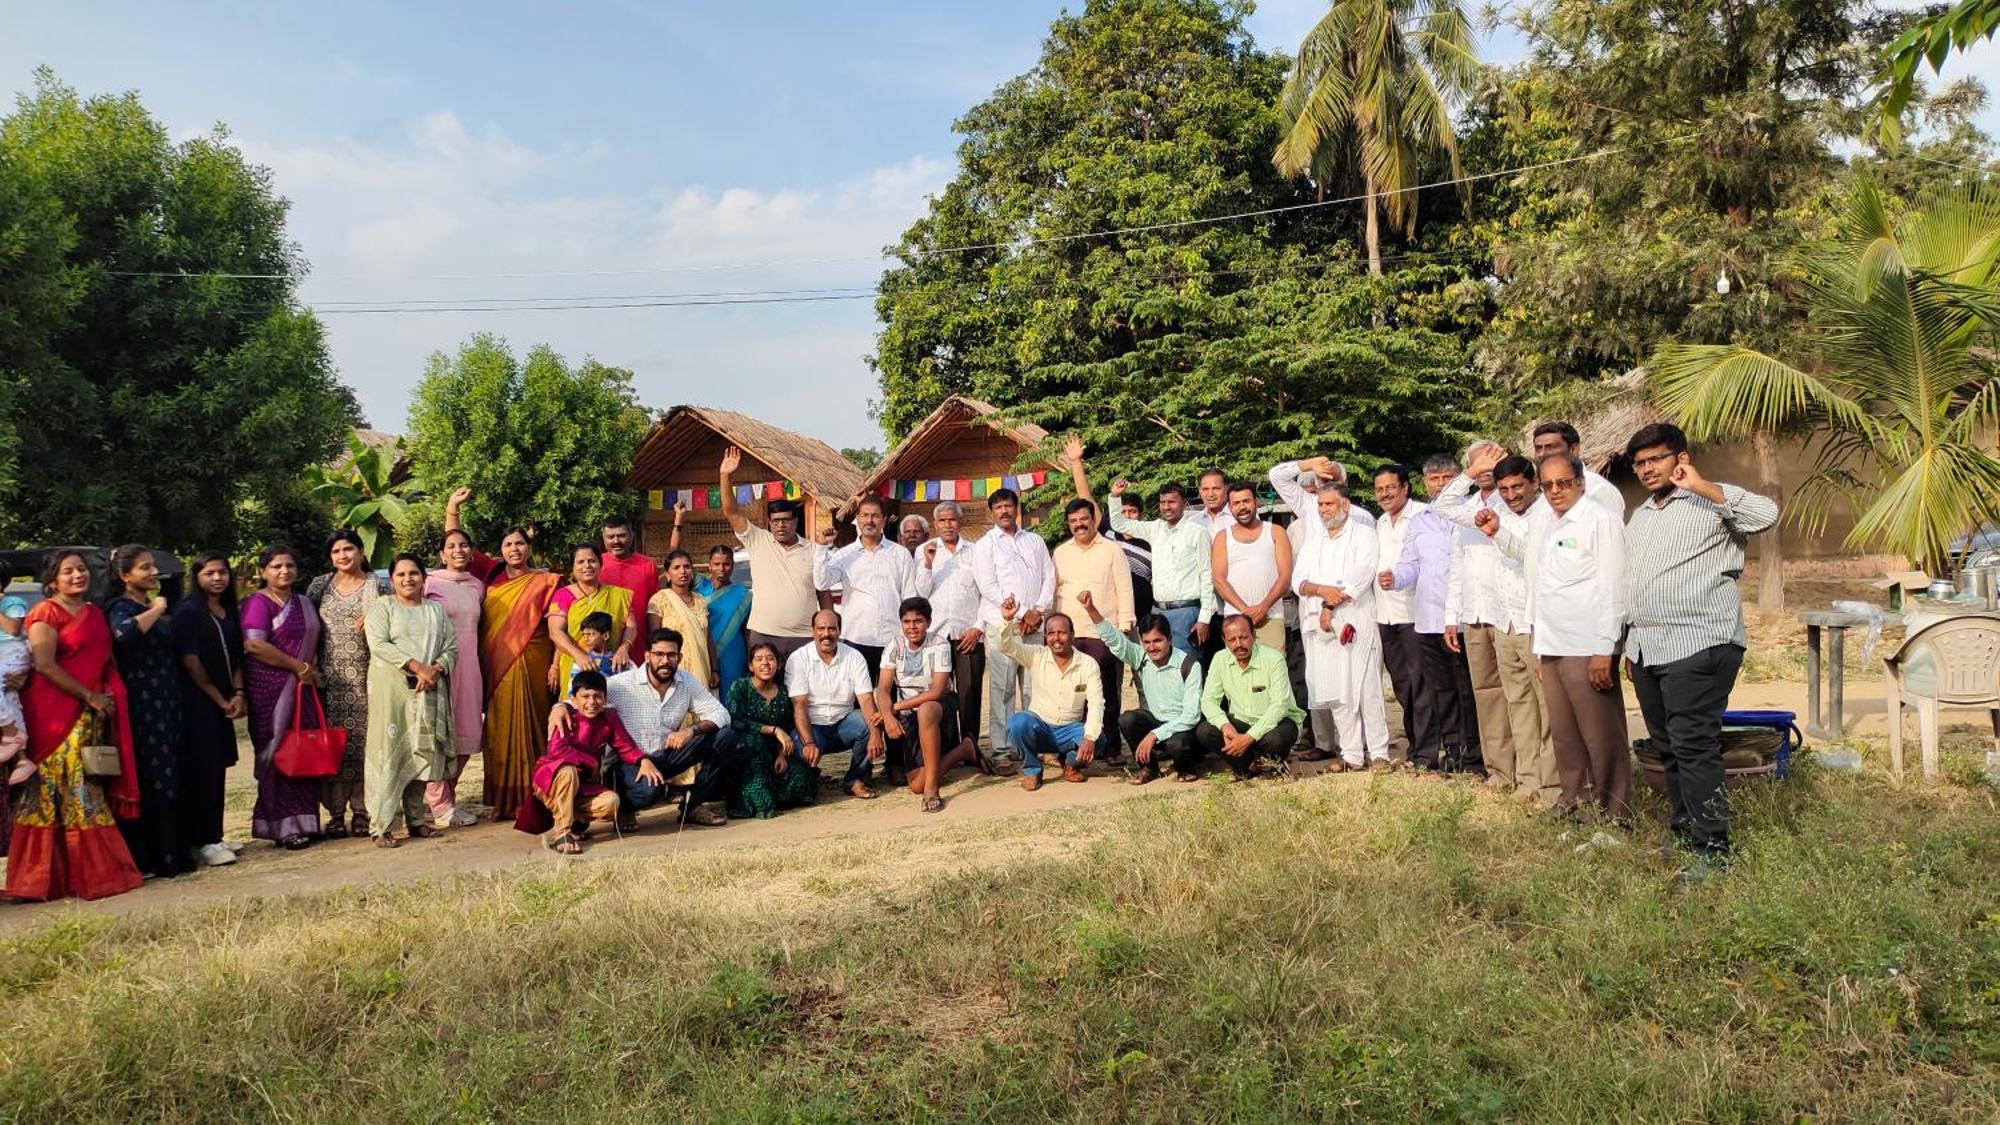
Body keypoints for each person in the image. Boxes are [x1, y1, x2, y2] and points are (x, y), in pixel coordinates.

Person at [1622, 422, 1779, 869]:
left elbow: (1766, 515)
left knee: (1693, 745)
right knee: (1667, 744)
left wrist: (1705, 487)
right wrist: (1628, 644)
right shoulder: (1643, 514)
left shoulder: (1710, 499)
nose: (1648, 468)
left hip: (1699, 640)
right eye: (1640, 462)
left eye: (1657, 458)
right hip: (1649, 647)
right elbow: (1632, 581)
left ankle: (1714, 848)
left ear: (1681, 458)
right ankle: (1686, 833)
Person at [1483, 453, 1629, 822]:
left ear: (1580, 481)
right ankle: (1574, 802)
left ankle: (1614, 813)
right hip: (1550, 643)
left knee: (1600, 734)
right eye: (1547, 485)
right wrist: (1537, 647)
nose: (1555, 491)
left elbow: (1614, 587)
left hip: (1587, 644)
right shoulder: (1543, 524)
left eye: (1562, 482)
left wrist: (1605, 649)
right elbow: (1534, 577)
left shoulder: (1601, 521)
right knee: (1564, 735)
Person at [5, 549, 144, 902]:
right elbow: (45, 665)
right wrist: (89, 696)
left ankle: (91, 875)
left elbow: (105, 660)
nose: (77, 576)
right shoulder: (44, 613)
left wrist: (105, 697)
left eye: (81, 569)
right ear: (52, 579)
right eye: (68, 571)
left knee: (87, 786)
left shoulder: (95, 613)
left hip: (91, 712)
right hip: (52, 714)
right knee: (50, 790)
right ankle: (40, 880)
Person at [1448, 456, 1558, 801]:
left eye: (1517, 487)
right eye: (1504, 488)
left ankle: (1551, 785)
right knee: (1518, 705)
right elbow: (1445, 506)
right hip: (1504, 623)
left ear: (1534, 484)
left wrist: (1498, 533)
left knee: (1547, 709)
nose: (1511, 494)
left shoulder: (1549, 516)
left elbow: (1536, 559)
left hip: (1536, 624)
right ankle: (1526, 781)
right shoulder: (1496, 513)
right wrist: (1470, 470)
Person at [551, 627, 739, 827]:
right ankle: (624, 808)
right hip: (626, 763)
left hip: (666, 756)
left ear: (680, 657)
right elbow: (586, 701)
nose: (665, 661)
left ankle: (692, 806)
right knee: (650, 791)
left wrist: (689, 730)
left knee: (725, 737)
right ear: (647, 655)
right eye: (658, 654)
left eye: (671, 655)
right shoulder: (622, 684)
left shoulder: (687, 682)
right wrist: (559, 706)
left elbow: (722, 714)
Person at [447, 495, 559, 821]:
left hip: (538, 662)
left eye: (520, 543)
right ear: (501, 550)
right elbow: (456, 543)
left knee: (537, 727)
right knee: (498, 730)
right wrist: (453, 509)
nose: (515, 549)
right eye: (509, 544)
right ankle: (503, 799)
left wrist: (554, 664)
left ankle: (539, 794)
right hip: (496, 666)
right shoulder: (489, 572)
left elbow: (556, 627)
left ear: (529, 548)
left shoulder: (547, 581)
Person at [103, 544, 190, 879]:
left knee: (172, 774)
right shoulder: (119, 606)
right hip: (141, 703)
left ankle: (175, 853)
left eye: (153, 566)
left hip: (167, 699)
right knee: (153, 777)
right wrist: (157, 609)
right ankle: (150, 857)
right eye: (145, 568)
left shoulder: (147, 605)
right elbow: (123, 635)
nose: (154, 573)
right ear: (125, 575)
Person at [1292, 485, 1391, 771]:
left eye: (1329, 504)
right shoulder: (1314, 541)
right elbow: (1298, 581)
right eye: (1321, 505)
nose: (1324, 510)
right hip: (1319, 626)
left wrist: (1330, 605)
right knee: (1336, 690)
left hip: (1355, 617)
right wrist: (1321, 590)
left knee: (1365, 686)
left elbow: (1360, 576)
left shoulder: (1364, 535)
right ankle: (1351, 755)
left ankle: (1380, 752)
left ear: (1345, 506)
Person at [363, 554, 458, 847]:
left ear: (423, 577)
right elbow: (378, 644)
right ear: (391, 580)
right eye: (401, 574)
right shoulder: (383, 607)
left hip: (427, 691)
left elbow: (451, 646)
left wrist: (436, 669)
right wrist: (418, 668)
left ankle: (417, 821)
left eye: (414, 573)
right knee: (389, 753)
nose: (408, 579)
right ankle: (382, 825)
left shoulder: (435, 610)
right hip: (392, 692)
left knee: (421, 754)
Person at [242, 544, 324, 849]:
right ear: (263, 571)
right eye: (276, 566)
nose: (284, 571)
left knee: (303, 749)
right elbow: (254, 646)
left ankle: (306, 821)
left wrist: (307, 670)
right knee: (278, 753)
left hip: (303, 688)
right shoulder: (257, 603)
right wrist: (297, 666)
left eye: (289, 565)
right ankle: (282, 826)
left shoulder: (303, 602)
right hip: (270, 689)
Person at [1077, 593, 1203, 785]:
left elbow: (1191, 716)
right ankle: (1149, 768)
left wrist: (1154, 735)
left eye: (1157, 641)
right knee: (1127, 719)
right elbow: (1115, 640)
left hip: (1184, 729)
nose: (1152, 648)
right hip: (1157, 720)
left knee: (1177, 743)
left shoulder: (1189, 665)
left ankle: (1185, 768)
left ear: (1169, 639)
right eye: (1147, 642)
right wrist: (1091, 610)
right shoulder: (1142, 657)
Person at [171, 552, 244, 868]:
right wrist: (219, 699)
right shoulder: (188, 612)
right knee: (202, 770)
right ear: (196, 577)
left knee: (217, 770)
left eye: (222, 572)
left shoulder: (229, 612)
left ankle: (215, 833)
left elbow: (237, 656)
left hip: (225, 701)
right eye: (210, 573)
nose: (217, 578)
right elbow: (191, 661)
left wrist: (238, 693)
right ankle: (203, 841)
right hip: (197, 703)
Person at [971, 486, 1054, 767]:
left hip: (1034, 626)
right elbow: (988, 586)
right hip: (1002, 626)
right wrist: (1018, 615)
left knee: (1034, 688)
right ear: (992, 513)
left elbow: (1049, 578)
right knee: (1002, 689)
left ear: (1016, 508)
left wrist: (1038, 611)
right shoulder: (985, 545)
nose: (1004, 511)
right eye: (998, 507)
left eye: (1008, 506)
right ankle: (1003, 749)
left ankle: (1034, 744)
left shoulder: (1035, 541)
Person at [1051, 488, 1134, 762]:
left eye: (1084, 519)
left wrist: (1123, 626)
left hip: (1103, 633)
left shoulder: (1112, 550)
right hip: (1070, 636)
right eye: (1073, 521)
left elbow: (1124, 588)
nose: (1079, 524)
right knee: (1076, 694)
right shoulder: (1061, 553)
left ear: (1093, 520)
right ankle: (1081, 746)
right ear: (1068, 524)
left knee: (1106, 691)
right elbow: (1054, 592)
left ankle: (1111, 748)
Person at [875, 596, 981, 812]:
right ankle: (964, 750)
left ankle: (932, 789)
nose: (912, 627)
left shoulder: (939, 643)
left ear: (929, 622)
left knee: (926, 709)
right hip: (908, 713)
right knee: (915, 785)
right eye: (907, 622)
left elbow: (937, 691)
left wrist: (894, 708)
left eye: (918, 621)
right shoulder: (894, 645)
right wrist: (887, 715)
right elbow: (884, 688)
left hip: (939, 708)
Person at [721, 446, 824, 664]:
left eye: (786, 520)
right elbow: (731, 511)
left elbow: (823, 591)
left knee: (802, 696)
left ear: (796, 522)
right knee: (765, 693)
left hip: (804, 637)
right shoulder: (758, 540)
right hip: (764, 635)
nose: (780, 525)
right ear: (769, 523)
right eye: (776, 521)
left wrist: (828, 625)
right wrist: (725, 475)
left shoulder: (814, 549)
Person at [305, 529, 377, 837]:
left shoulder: (379, 585)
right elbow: (306, 626)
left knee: (364, 745)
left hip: (367, 675)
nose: (343, 556)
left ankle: (362, 811)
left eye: (349, 549)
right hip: (329, 680)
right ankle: (334, 814)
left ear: (361, 551)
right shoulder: (319, 585)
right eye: (336, 551)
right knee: (333, 746)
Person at [992, 597, 1102, 791]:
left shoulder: (1087, 664)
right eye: (1051, 633)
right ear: (1045, 638)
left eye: (1062, 633)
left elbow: (1096, 703)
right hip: (1040, 728)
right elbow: (1005, 646)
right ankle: (1033, 770)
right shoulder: (1036, 655)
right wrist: (1007, 620)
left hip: (1070, 729)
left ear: (1072, 635)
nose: (1056, 638)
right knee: (1018, 724)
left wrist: (1090, 737)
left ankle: (1070, 764)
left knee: (1099, 741)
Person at [814, 493, 923, 684]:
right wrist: (822, 548)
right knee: (858, 699)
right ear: (857, 519)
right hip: (856, 637)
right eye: (864, 515)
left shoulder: (900, 554)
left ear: (884, 520)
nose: (869, 520)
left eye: (875, 516)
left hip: (893, 638)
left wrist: (909, 636)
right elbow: (822, 583)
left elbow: (909, 596)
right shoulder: (845, 555)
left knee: (893, 698)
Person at [915, 500, 989, 769]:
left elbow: (986, 593)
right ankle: (946, 750)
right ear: (935, 525)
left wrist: (978, 627)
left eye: (952, 520)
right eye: (942, 521)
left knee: (970, 693)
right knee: (939, 694)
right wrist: (927, 563)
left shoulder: (976, 552)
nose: (947, 525)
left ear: (961, 523)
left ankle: (971, 748)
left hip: (968, 634)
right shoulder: (925, 551)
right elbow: (920, 594)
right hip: (935, 637)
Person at [527, 669, 631, 854]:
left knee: (612, 803)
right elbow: (558, 750)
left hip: (584, 787)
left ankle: (573, 819)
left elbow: (625, 746)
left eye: (597, 696)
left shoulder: (609, 718)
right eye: (585, 696)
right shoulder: (565, 715)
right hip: (552, 780)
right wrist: (590, 762)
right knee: (568, 771)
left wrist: (644, 761)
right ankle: (562, 833)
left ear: (605, 699)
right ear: (573, 699)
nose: (592, 702)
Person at [787, 610, 887, 800]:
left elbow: (866, 699)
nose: (827, 634)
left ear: (840, 631)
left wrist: (876, 734)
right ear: (813, 631)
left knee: (870, 722)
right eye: (821, 629)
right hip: (812, 728)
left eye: (832, 628)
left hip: (843, 725)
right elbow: (799, 705)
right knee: (801, 749)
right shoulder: (798, 658)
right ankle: (812, 776)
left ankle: (856, 780)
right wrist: (808, 743)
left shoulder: (854, 657)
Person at [1196, 614, 1305, 780]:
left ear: (1253, 635)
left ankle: (1273, 765)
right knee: (1205, 731)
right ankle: (1247, 766)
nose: (1239, 644)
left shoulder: (1273, 659)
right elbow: (1208, 701)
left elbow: (1280, 706)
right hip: (1241, 722)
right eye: (1232, 640)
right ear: (1224, 640)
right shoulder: (1219, 659)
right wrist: (1225, 726)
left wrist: (1248, 738)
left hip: (1276, 724)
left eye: (1243, 637)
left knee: (1275, 739)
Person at [425, 529, 486, 828]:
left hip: (470, 664)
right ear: (442, 554)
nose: (458, 550)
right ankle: (439, 803)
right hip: (439, 664)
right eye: (451, 546)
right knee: (438, 734)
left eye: (464, 544)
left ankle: (447, 796)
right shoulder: (429, 582)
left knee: (467, 732)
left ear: (471, 551)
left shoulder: (477, 585)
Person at [723, 642, 817, 819]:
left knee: (802, 783)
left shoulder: (784, 692)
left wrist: (782, 755)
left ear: (778, 664)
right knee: (764, 805)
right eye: (759, 659)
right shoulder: (740, 687)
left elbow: (788, 728)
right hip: (747, 755)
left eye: (770, 658)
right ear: (751, 666)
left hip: (774, 753)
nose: (765, 663)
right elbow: (735, 721)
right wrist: (772, 730)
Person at [1211, 480, 1293, 652]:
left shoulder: (1276, 532)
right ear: (1230, 507)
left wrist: (1263, 608)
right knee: (1238, 675)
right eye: (1236, 503)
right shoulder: (1222, 537)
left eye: (1246, 501)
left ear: (1256, 502)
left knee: (1274, 671)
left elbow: (1285, 576)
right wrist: (1245, 613)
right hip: (1235, 621)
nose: (1242, 507)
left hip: (1271, 616)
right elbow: (1219, 580)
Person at [547, 544, 639, 696]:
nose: (587, 566)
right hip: (574, 664)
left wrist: (624, 648)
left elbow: (631, 627)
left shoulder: (618, 595)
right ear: (573, 567)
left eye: (592, 561)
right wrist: (578, 655)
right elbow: (555, 632)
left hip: (610, 665)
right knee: (576, 709)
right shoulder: (563, 595)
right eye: (580, 562)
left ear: (600, 564)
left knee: (611, 709)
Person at [648, 549, 715, 691]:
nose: (683, 571)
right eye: (676, 568)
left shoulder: (700, 600)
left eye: (687, 567)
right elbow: (655, 641)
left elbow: (708, 638)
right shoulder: (659, 600)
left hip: (702, 669)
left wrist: (715, 670)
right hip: (673, 669)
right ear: (667, 574)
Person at [1529, 421, 1626, 520]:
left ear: (1573, 450)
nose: (1542, 454)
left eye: (1551, 447)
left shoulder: (1597, 489)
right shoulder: (1542, 500)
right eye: (1538, 449)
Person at [597, 514, 659, 661]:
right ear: (603, 538)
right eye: (610, 537)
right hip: (601, 645)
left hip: (639, 644)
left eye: (621, 535)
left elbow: (653, 609)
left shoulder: (648, 565)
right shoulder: (595, 565)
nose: (616, 541)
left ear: (632, 535)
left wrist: (654, 644)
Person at [697, 543, 752, 689]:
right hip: (702, 651)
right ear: (709, 565)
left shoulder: (743, 595)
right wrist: (678, 522)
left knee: (731, 696)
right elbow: (674, 557)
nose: (721, 569)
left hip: (732, 653)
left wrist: (751, 659)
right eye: (716, 564)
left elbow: (747, 631)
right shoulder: (699, 587)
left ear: (732, 566)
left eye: (726, 564)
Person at [569, 612, 619, 693]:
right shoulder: (583, 661)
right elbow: (572, 690)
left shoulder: (617, 661)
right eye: (584, 635)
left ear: (605, 636)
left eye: (590, 634)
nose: (586, 639)